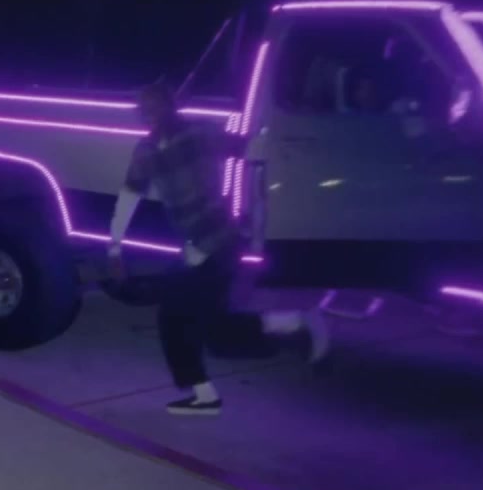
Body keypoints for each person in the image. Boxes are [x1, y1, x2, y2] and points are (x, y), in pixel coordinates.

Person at [106, 79, 330, 416]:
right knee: (212, 330)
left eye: (153, 106)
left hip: (221, 241)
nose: (148, 113)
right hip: (195, 246)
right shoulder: (147, 150)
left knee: (183, 320)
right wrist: (114, 247)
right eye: (144, 108)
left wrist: (261, 208)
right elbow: (129, 195)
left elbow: (251, 152)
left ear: (169, 106)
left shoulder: (200, 133)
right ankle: (291, 326)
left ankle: (211, 391)